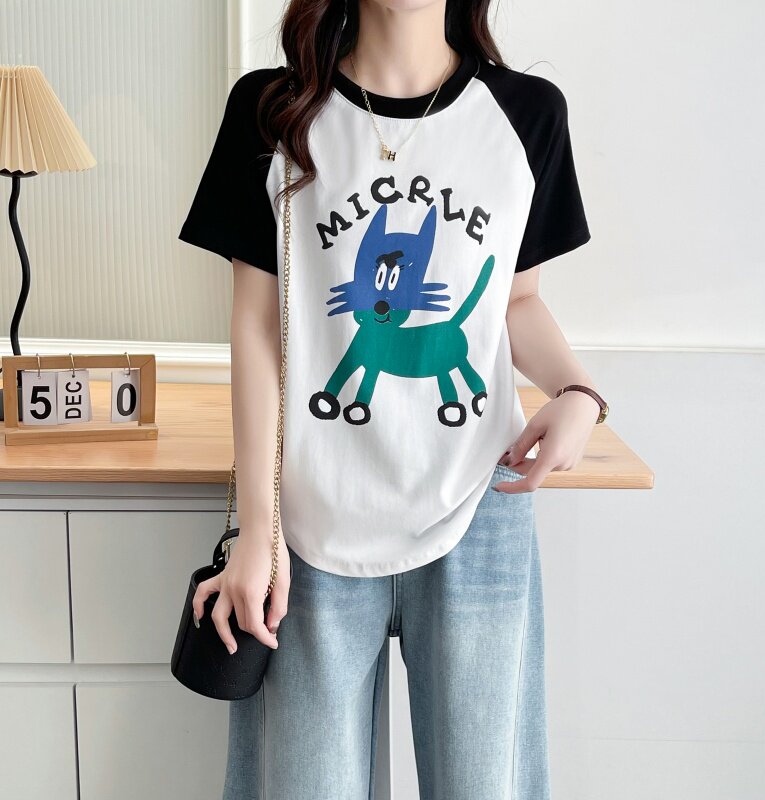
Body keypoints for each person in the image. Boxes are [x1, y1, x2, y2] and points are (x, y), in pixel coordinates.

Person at [178, 1, 607, 797]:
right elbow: (258, 326)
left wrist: (578, 390)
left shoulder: (527, 113)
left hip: (478, 504)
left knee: (486, 785)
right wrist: (258, 532)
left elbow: (515, 301)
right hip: (310, 519)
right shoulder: (273, 111)